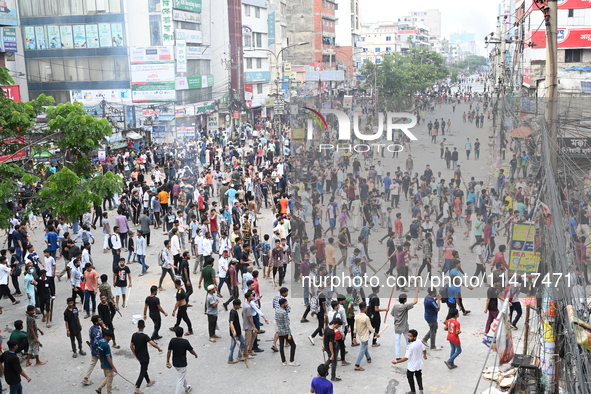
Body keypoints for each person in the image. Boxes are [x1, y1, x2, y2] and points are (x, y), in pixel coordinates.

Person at [130, 319, 162, 394]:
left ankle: (148, 381)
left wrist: (135, 355)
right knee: (143, 371)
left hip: (139, 355)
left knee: (143, 368)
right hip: (145, 356)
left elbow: (131, 346)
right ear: (144, 326)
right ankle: (137, 388)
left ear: (137, 326)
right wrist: (159, 348)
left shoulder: (134, 335)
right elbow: (152, 343)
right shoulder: (144, 336)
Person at [391, 329, 427, 394]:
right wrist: (425, 356)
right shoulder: (419, 341)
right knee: (418, 376)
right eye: (408, 335)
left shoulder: (410, 346)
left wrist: (396, 361)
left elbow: (406, 358)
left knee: (410, 378)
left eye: (410, 336)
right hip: (418, 364)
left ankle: (413, 391)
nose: (408, 337)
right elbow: (424, 350)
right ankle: (421, 390)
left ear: (414, 337)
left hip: (411, 366)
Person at [166, 326, 198, 394]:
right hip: (182, 363)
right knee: (180, 379)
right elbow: (191, 350)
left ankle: (186, 387)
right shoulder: (185, 342)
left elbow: (169, 351)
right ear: (183, 333)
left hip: (175, 362)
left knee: (181, 375)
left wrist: (167, 361)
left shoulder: (172, 340)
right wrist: (195, 355)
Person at [391, 289, 419, 360]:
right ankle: (410, 353)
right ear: (405, 300)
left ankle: (397, 356)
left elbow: (392, 314)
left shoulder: (395, 306)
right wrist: (416, 292)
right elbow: (415, 301)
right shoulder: (406, 306)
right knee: (408, 341)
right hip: (404, 326)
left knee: (397, 341)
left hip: (397, 326)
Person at [353, 301, 379, 371]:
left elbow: (355, 327)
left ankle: (368, 357)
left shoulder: (357, 316)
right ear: (365, 308)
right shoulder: (366, 318)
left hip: (360, 334)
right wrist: (376, 334)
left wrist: (354, 337)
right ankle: (357, 364)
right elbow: (370, 327)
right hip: (365, 335)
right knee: (362, 349)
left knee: (364, 346)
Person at [276, 297, 299, 366]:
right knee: (293, 345)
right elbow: (286, 324)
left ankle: (283, 361)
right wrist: (289, 334)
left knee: (281, 346)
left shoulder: (277, 310)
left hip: (280, 330)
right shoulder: (284, 312)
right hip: (285, 331)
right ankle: (291, 361)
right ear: (283, 304)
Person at [82, 315, 103, 386]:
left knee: (93, 363)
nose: (101, 321)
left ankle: (85, 378)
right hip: (98, 350)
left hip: (93, 349)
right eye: (100, 320)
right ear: (96, 322)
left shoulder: (91, 328)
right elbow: (98, 342)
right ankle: (108, 376)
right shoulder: (97, 331)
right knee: (105, 362)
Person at [96, 330, 117, 394]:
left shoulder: (99, 342)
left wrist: (101, 363)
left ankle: (99, 388)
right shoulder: (106, 345)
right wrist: (113, 367)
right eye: (110, 337)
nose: (111, 339)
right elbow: (108, 357)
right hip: (108, 365)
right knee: (110, 380)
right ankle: (109, 392)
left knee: (108, 376)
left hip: (103, 363)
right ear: (107, 337)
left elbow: (99, 354)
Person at [323, 317, 342, 382]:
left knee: (330, 359)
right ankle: (333, 376)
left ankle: (323, 368)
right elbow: (330, 343)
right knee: (334, 362)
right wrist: (333, 354)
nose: (338, 327)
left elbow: (324, 337)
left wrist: (324, 346)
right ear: (336, 324)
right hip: (332, 348)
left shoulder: (327, 328)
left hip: (326, 347)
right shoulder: (332, 332)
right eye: (338, 326)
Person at [228, 299, 248, 364]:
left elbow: (229, 320)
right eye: (239, 305)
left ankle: (239, 355)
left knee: (243, 342)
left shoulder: (234, 311)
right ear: (235, 305)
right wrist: (234, 331)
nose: (239, 306)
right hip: (235, 333)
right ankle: (230, 359)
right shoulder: (233, 312)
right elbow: (231, 323)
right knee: (232, 346)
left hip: (238, 332)